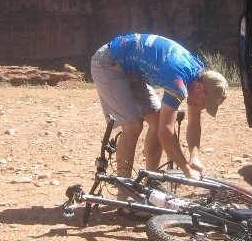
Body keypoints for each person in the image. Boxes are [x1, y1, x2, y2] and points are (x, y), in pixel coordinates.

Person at [90, 33, 229, 192]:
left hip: (133, 72)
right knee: (133, 126)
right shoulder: (178, 79)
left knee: (156, 123)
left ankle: (150, 182)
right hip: (109, 63)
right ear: (200, 88)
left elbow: (194, 123)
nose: (203, 107)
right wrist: (187, 170)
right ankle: (124, 194)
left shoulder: (198, 76)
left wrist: (194, 157)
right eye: (205, 102)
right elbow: (166, 132)